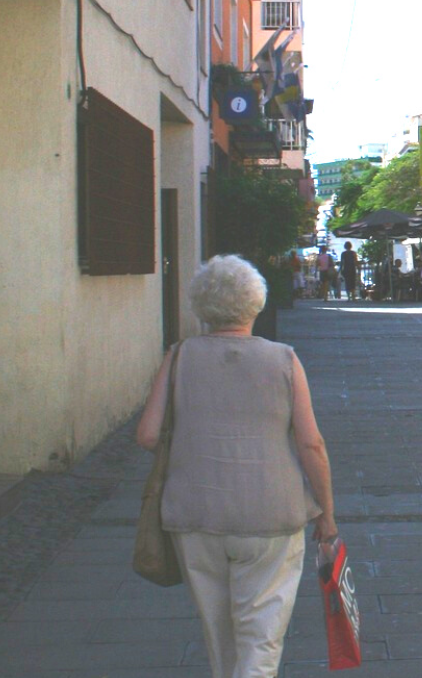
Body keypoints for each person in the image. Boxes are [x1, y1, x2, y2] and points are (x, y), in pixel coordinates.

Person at [135, 256, 336, 678]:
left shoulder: (179, 356)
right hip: (272, 513)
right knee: (260, 639)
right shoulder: (283, 360)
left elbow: (149, 435)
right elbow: (311, 444)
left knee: (220, 636)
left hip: (194, 512)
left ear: (201, 306)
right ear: (255, 303)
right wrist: (328, 514)